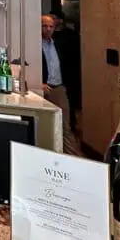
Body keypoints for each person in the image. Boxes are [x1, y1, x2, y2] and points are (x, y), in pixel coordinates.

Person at [41, 14, 80, 154]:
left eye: (51, 26)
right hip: (42, 89)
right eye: (44, 26)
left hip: (58, 87)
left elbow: (66, 64)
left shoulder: (58, 43)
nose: (48, 29)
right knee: (44, 125)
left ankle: (72, 159)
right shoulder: (34, 44)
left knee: (65, 126)